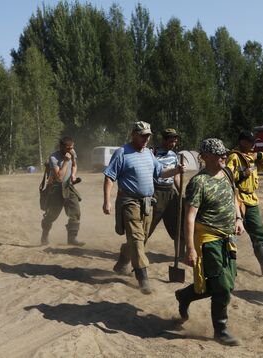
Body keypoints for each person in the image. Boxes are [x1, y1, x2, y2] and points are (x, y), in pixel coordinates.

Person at [174, 138, 245, 346]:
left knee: (223, 284)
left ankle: (185, 296)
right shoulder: (198, 182)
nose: (224, 156)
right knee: (221, 286)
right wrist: (190, 248)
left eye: (224, 152)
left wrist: (238, 219)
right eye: (218, 153)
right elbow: (190, 217)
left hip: (228, 237)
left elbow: (234, 196)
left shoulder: (228, 173)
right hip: (208, 239)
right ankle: (220, 330)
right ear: (205, 157)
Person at [103, 121, 185, 294]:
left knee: (141, 236)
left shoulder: (149, 153)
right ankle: (143, 278)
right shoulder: (122, 153)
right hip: (129, 201)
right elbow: (110, 177)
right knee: (138, 239)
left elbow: (160, 173)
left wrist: (176, 171)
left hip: (148, 202)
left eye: (148, 135)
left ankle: (122, 261)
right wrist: (107, 201)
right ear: (133, 134)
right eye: (142, 135)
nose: (146, 138)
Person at [226, 130, 263, 275]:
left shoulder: (253, 157)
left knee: (259, 233)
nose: (253, 145)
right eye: (250, 142)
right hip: (237, 200)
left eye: (254, 142)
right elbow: (227, 177)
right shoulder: (234, 157)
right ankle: (226, 265)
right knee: (229, 234)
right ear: (242, 142)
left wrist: (258, 155)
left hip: (251, 200)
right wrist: (243, 173)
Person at [148, 128, 185, 258]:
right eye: (170, 141)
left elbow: (176, 177)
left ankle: (181, 257)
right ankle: (129, 257)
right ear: (163, 140)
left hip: (170, 193)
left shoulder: (174, 156)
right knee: (146, 229)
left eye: (175, 141)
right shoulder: (152, 153)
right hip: (155, 193)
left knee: (179, 227)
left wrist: (181, 193)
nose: (173, 144)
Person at [40, 136, 84, 246]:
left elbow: (74, 165)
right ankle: (45, 234)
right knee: (52, 216)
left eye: (72, 148)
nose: (71, 150)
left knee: (75, 212)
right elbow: (59, 177)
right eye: (68, 148)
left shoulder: (72, 152)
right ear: (61, 147)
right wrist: (65, 161)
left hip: (68, 187)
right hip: (56, 189)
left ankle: (72, 239)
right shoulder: (53, 158)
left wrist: (73, 175)